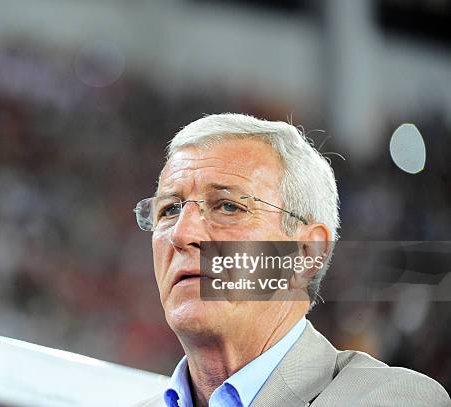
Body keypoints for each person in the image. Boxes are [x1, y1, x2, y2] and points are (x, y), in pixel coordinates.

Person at [133, 114, 451, 407]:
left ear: (306, 253)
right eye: (169, 209)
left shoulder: (389, 399)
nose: (181, 233)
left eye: (228, 206)